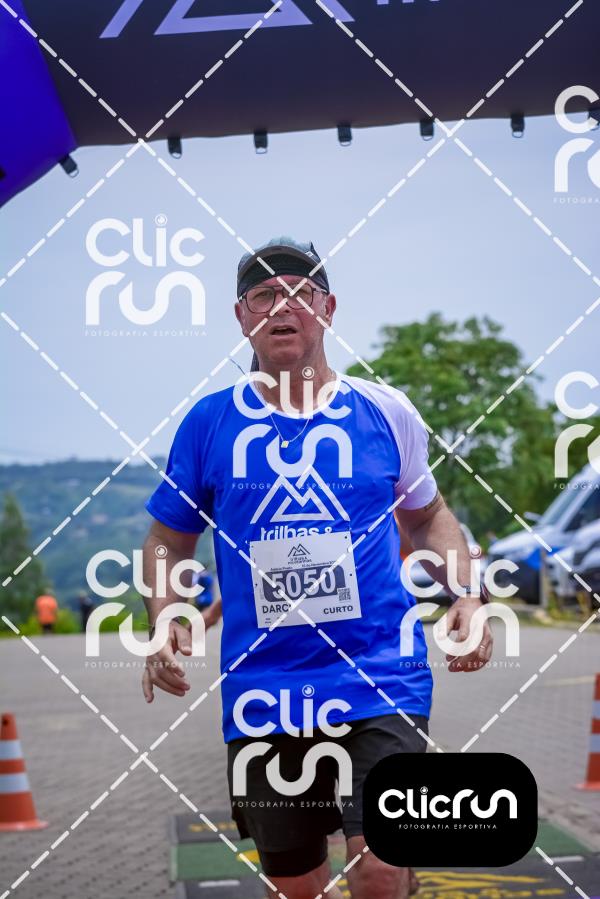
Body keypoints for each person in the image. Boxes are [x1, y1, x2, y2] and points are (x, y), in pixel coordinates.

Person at [141, 237, 492, 899]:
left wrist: (467, 596)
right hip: (265, 690)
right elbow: (167, 538)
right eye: (264, 296)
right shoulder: (209, 423)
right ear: (241, 317)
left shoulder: (386, 411)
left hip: (381, 675)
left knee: (378, 865)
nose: (283, 306)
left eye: (301, 294)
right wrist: (163, 619)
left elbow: (427, 517)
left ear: (328, 310)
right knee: (296, 884)